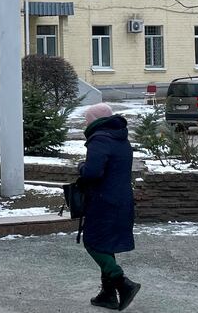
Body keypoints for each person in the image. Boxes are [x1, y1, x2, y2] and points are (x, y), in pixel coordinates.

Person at [77, 103, 140, 311]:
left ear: (95, 120)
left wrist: (81, 167)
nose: (85, 124)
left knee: (92, 242)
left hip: (103, 201)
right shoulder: (120, 138)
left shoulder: (100, 139)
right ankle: (108, 294)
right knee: (105, 244)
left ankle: (122, 282)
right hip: (121, 199)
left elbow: (92, 173)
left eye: (87, 120)